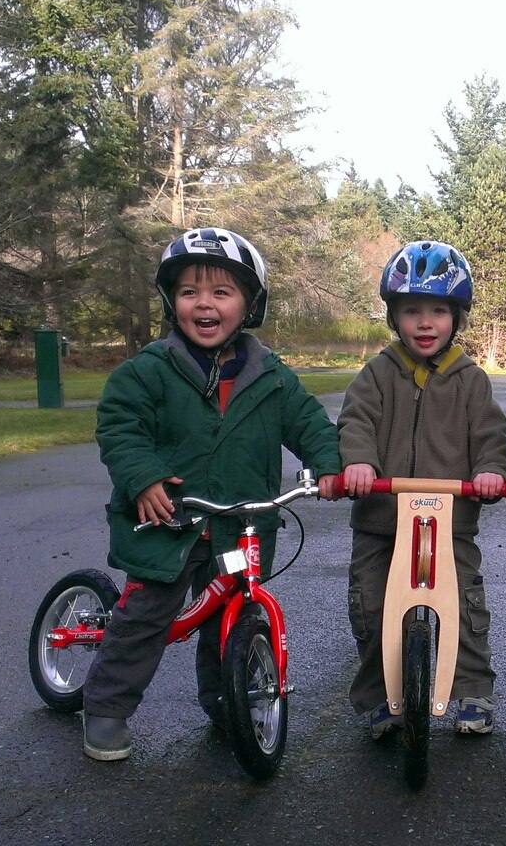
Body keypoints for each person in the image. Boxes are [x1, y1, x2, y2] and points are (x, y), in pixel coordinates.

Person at [81, 227, 343, 762]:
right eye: (189, 292)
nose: (204, 303)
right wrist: (144, 477)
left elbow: (311, 424)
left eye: (221, 293)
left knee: (225, 618)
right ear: (172, 302)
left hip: (239, 522)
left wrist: (330, 466)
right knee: (148, 616)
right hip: (169, 521)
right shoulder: (148, 371)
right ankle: (105, 707)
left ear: (248, 305)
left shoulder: (271, 377)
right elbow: (120, 426)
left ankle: (226, 705)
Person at [336, 241, 506, 738]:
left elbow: (491, 435)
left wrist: (491, 471)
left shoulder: (470, 380)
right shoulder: (377, 374)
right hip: (381, 521)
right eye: (412, 311)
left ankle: (472, 690)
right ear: (395, 317)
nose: (426, 322)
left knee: (466, 608)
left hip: (449, 519)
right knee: (372, 608)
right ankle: (377, 697)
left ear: (457, 317)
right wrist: (359, 464)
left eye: (438, 310)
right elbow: (355, 423)